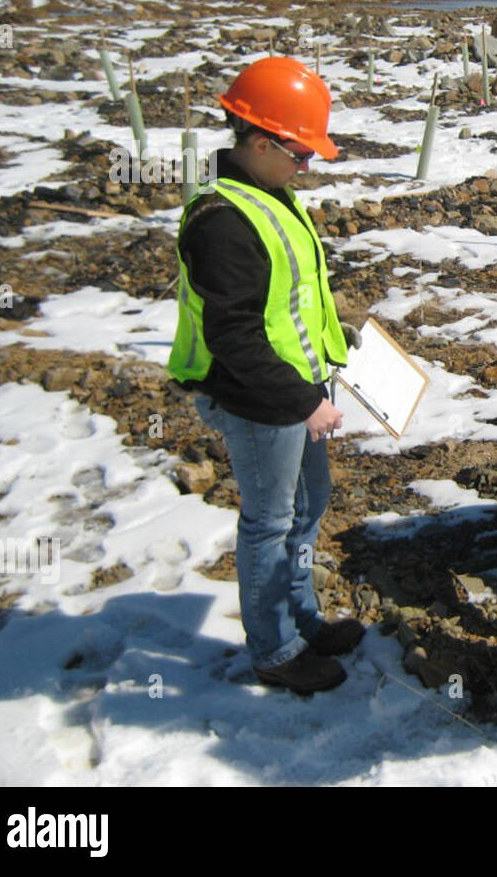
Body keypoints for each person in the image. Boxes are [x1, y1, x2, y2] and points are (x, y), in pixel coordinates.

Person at [167, 56, 364, 695]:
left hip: (297, 394)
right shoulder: (223, 221)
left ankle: (301, 620)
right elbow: (233, 336)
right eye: (300, 154)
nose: (307, 168)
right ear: (259, 141)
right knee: (270, 523)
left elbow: (290, 297)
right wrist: (301, 401)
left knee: (308, 508)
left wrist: (337, 343)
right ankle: (275, 651)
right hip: (259, 403)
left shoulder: (267, 195)